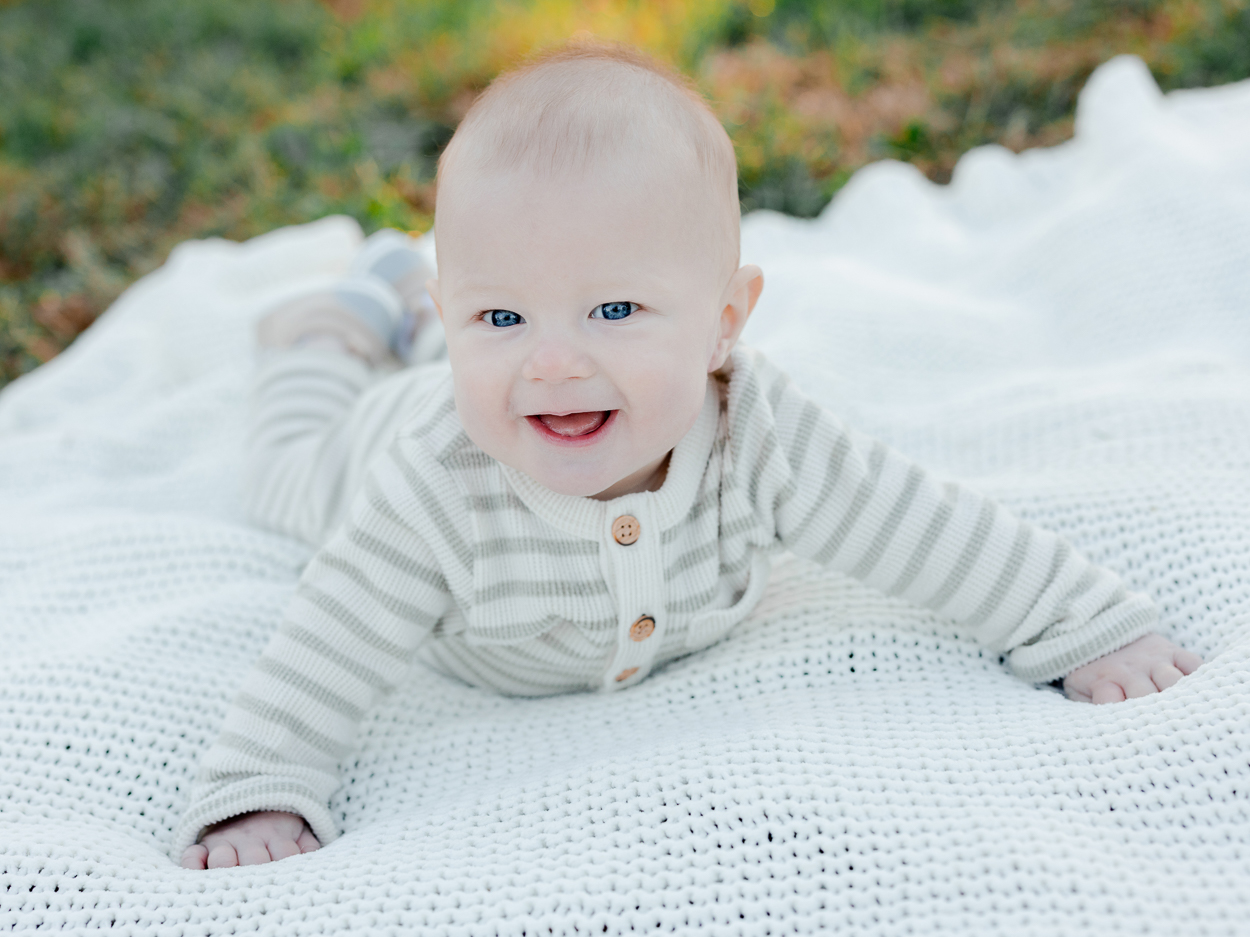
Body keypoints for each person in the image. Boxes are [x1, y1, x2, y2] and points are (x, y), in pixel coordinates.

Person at [176, 41, 1203, 870]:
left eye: (614, 309)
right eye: (497, 315)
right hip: (372, 437)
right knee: (282, 478)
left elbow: (919, 524)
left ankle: (408, 300)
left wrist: (1077, 624)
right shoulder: (424, 490)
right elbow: (327, 644)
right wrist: (260, 788)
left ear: (721, 324)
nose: (553, 364)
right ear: (462, 322)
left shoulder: (757, 431)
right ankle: (326, 333)